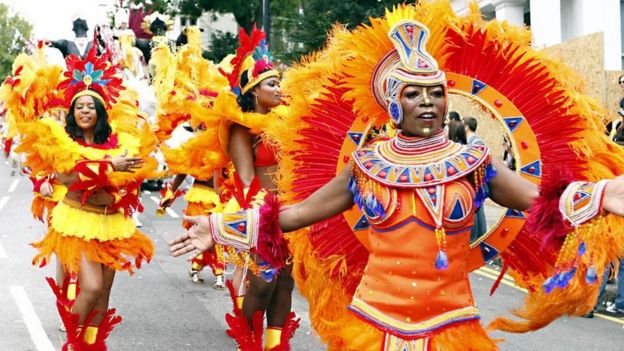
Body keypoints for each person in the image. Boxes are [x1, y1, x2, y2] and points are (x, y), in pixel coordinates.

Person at [169, 11, 624, 351]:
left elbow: (539, 199)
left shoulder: (475, 161)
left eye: (436, 93)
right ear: (393, 105)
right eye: (413, 93)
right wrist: (217, 228)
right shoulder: (366, 165)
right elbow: (298, 214)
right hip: (372, 322)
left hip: (452, 324)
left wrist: (603, 193)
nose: (427, 102)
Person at [1, 46, 158, 350]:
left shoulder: (119, 144)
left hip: (113, 223)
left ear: (100, 113)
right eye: (79, 107)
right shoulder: (63, 143)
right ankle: (73, 343)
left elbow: (130, 179)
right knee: (91, 286)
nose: (85, 110)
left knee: (104, 292)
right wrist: (110, 167)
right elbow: (67, 177)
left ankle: (91, 344)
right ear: (72, 113)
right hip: (77, 221)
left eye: (91, 106)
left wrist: (124, 182)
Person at [463, 116, 487, 242]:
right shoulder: (472, 140)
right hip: (477, 181)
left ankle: (480, 237)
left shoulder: (476, 142)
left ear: (466, 126)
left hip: (477, 180)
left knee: (478, 207)